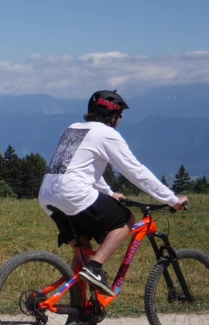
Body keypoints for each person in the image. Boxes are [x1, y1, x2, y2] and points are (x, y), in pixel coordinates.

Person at [38, 90, 188, 297]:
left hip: (47, 195)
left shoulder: (72, 128)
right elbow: (135, 171)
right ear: (112, 116)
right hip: (73, 194)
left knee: (82, 246)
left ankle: (81, 310)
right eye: (120, 115)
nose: (121, 120)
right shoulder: (106, 134)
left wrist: (108, 192)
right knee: (125, 220)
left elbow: (82, 166)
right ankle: (95, 269)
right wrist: (171, 199)